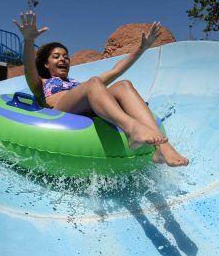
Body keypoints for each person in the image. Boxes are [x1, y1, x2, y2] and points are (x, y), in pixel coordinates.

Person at [14, 11, 189, 167]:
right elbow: (29, 69)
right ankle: (131, 129)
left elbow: (116, 70)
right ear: (46, 64)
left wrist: (142, 48)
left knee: (123, 85)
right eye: (56, 56)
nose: (63, 59)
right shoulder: (42, 83)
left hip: (88, 107)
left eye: (66, 57)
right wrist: (29, 40)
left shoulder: (81, 84)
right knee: (94, 83)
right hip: (60, 112)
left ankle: (163, 148)